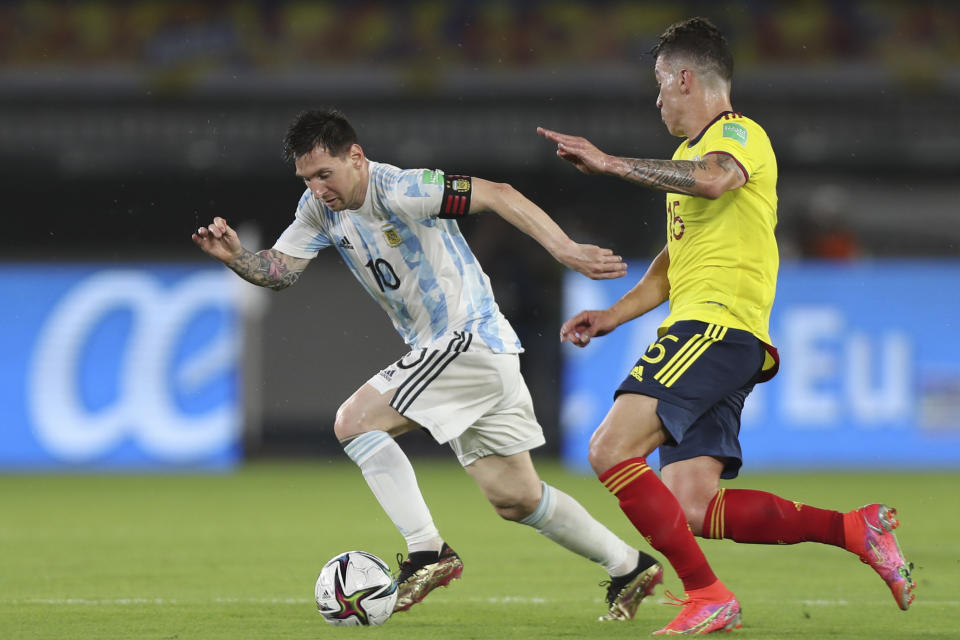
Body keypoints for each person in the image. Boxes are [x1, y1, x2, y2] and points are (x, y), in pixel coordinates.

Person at [192, 107, 664, 620]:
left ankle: (427, 551)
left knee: (355, 421)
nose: (318, 188)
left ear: (356, 157)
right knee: (516, 498)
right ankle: (629, 565)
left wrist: (567, 250)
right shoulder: (318, 209)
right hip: (475, 356)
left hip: (468, 340)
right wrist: (239, 257)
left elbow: (498, 193)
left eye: (325, 174)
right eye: (307, 178)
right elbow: (279, 272)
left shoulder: (403, 188)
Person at [538, 17, 914, 636]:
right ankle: (855, 529)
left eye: (661, 86)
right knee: (691, 503)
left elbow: (715, 181)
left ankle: (706, 594)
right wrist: (611, 316)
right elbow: (670, 266)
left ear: (686, 79)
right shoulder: (688, 160)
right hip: (713, 334)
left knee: (608, 449)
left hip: (715, 330)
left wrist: (609, 163)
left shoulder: (739, 135)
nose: (656, 101)